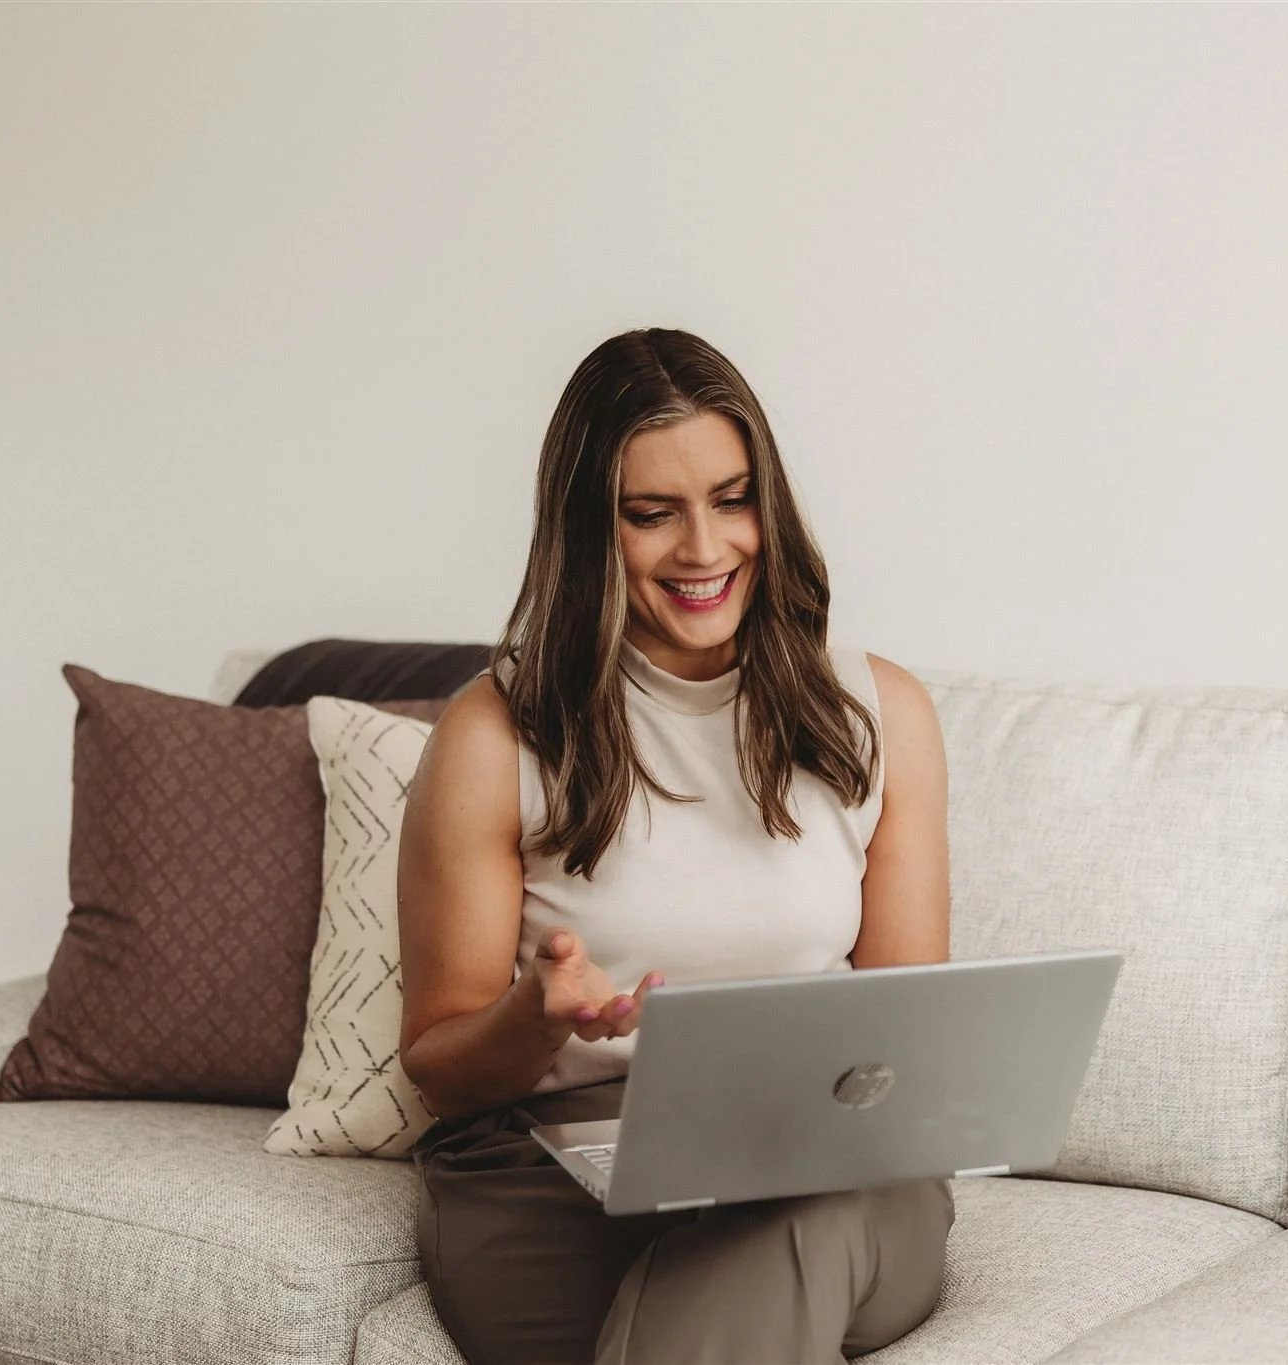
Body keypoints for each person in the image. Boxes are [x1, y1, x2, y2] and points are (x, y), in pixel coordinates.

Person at [396, 328, 954, 1365]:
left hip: (822, 1162)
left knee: (785, 1227)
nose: (704, 549)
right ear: (586, 531)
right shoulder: (493, 734)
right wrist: (533, 1017)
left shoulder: (879, 715)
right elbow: (440, 1069)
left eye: (732, 500)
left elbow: (908, 1037)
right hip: (556, 1164)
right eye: (651, 514)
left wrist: (792, 1132)